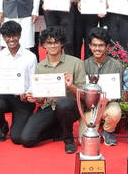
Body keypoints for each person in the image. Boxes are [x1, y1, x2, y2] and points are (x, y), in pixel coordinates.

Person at [19, 25, 85, 153]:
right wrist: (33, 97)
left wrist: (71, 85)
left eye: (56, 42)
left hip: (71, 107)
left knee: (63, 103)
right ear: (43, 45)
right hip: (50, 106)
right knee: (26, 140)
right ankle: (58, 130)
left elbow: (84, 95)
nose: (53, 46)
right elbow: (41, 99)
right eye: (49, 42)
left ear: (62, 44)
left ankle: (68, 139)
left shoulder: (76, 62)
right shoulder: (40, 67)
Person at [0, 20, 38, 145]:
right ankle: (2, 126)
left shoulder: (30, 56)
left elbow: (33, 80)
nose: (11, 39)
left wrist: (27, 93)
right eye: (7, 36)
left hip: (23, 99)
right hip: (5, 96)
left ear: (20, 35)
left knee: (17, 138)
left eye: (14, 35)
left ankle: (23, 121)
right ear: (3, 37)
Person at [82, 27, 124, 146]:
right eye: (94, 45)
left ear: (107, 47)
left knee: (114, 112)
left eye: (101, 45)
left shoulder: (116, 66)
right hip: (90, 107)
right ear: (89, 46)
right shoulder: (83, 65)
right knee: (85, 141)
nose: (97, 49)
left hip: (108, 104)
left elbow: (118, 92)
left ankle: (108, 131)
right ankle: (95, 125)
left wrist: (110, 99)